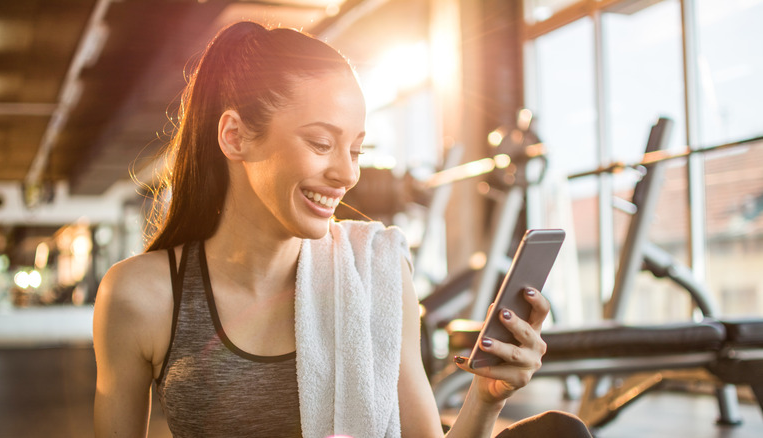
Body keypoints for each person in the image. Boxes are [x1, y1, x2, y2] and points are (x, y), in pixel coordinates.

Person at [92, 21, 592, 438]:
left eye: (355, 149)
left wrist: (486, 400)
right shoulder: (142, 295)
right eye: (321, 142)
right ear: (235, 136)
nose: (347, 174)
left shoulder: (376, 266)